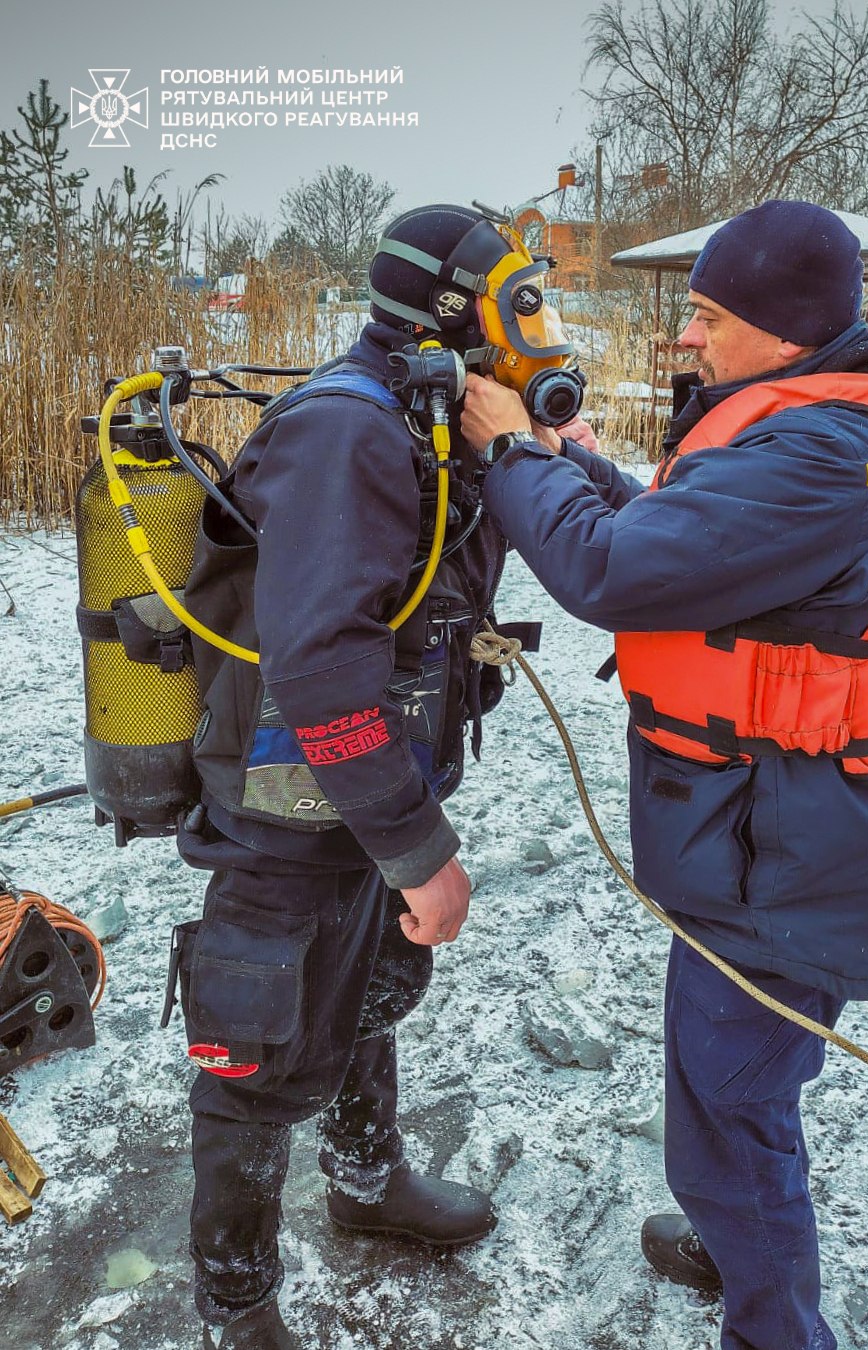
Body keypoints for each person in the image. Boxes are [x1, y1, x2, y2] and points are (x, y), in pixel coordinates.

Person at [461, 199, 868, 1350]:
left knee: (728, 1101)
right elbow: (704, 547)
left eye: (704, 316)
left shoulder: (829, 456)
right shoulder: (839, 425)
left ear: (782, 332)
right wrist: (579, 464)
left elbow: (610, 570)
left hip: (782, 856)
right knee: (734, 1082)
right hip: (782, 834)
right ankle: (735, 1231)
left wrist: (504, 453)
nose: (685, 339)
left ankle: (772, 1321)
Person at [172, 203, 562, 1350]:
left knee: (369, 996)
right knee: (255, 1043)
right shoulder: (351, 428)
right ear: (454, 307)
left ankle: (363, 1178)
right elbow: (322, 672)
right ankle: (235, 1307)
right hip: (293, 811)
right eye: (520, 299)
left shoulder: (430, 415)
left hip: (371, 795)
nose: (537, 322)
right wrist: (420, 852)